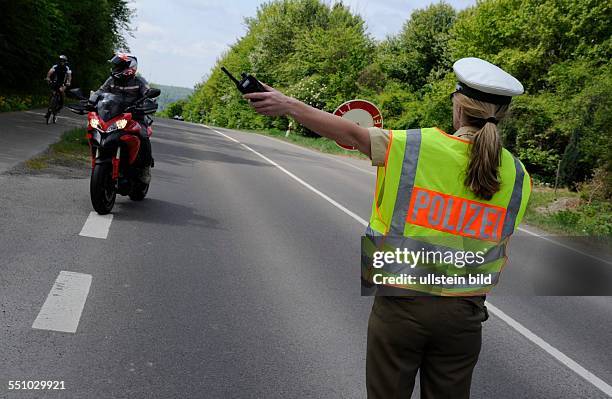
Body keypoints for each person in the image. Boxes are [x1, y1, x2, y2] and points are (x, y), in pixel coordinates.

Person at [245, 57, 531, 399]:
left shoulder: (412, 146)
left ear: (458, 106)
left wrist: (288, 104)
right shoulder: (518, 176)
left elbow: (348, 131)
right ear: (504, 115)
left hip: (401, 304)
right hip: (464, 314)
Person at [94, 53, 153, 183]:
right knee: (98, 130)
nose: (116, 69)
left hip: (136, 117)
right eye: (116, 66)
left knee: (143, 136)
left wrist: (148, 102)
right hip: (113, 116)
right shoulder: (111, 80)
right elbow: (99, 92)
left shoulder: (140, 82)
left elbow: (149, 95)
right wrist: (90, 101)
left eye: (119, 66)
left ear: (130, 68)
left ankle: (145, 168)